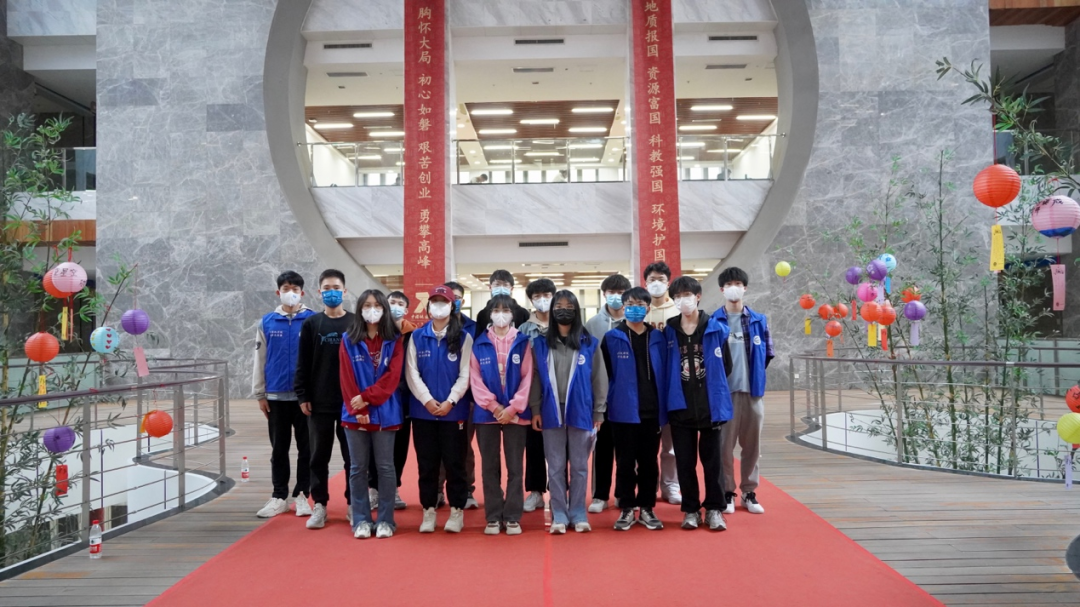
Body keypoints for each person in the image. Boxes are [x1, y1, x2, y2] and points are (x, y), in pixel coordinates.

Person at [528, 290, 608, 534]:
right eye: (559, 306)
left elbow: (599, 379)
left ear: (576, 310)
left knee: (580, 466)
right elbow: (535, 379)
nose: (564, 310)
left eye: (569, 306)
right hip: (550, 410)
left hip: (581, 410)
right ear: (552, 311)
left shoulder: (589, 343)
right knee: (555, 466)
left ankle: (578, 513)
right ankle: (559, 514)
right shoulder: (540, 343)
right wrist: (535, 409)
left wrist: (599, 411)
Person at [663, 276, 732, 532]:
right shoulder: (669, 331)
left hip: (710, 407)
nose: (683, 300)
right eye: (677, 296)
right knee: (685, 462)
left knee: (713, 462)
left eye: (687, 295)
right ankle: (691, 509)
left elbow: (726, 366)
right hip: (680, 407)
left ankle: (714, 508)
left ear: (698, 296)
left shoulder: (716, 328)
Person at [406, 286, 475, 533]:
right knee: (427, 464)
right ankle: (428, 511)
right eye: (434, 301)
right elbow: (411, 372)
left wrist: (451, 401)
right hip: (422, 412)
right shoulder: (417, 336)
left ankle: (456, 511)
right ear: (428, 307)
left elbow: (466, 374)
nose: (438, 306)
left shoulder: (464, 338)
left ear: (452, 306)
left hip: (454, 413)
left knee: (455, 463)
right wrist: (426, 400)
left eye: (443, 301)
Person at [339, 290, 404, 539]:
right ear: (360, 309)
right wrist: (359, 408)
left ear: (384, 309)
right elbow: (346, 378)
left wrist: (367, 398)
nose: (372, 309)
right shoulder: (348, 339)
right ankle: (361, 520)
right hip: (354, 413)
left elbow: (392, 378)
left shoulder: (395, 339)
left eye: (377, 305)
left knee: (386, 467)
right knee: (357, 468)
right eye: (367, 305)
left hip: (386, 412)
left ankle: (386, 520)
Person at [602, 287, 667, 531]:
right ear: (623, 307)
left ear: (648, 308)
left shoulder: (658, 337)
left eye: (640, 304)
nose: (634, 308)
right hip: (622, 411)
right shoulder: (612, 337)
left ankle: (647, 507)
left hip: (651, 411)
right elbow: (605, 375)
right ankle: (627, 507)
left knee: (649, 462)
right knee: (625, 462)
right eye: (630, 304)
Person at [253, 271, 316, 519]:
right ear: (278, 292)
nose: (291, 293)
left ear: (302, 292)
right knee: (279, 449)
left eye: (295, 289)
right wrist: (260, 393)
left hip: (305, 399)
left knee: (306, 449)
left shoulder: (313, 320)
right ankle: (279, 496)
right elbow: (259, 359)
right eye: (286, 288)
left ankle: (302, 495)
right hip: (276, 397)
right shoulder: (267, 322)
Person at [295, 269, 354, 529]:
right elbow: (303, 362)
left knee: (353, 457)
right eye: (327, 288)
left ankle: (354, 503)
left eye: (336, 287)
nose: (332, 292)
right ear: (319, 292)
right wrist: (303, 395)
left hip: (351, 402)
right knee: (318, 456)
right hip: (319, 402)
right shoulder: (311, 324)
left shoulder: (355, 323)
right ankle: (319, 504)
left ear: (344, 291)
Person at [470, 294, 534, 535]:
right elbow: (475, 379)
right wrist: (494, 407)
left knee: (515, 466)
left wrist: (513, 407)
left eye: (505, 310)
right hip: (487, 414)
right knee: (490, 466)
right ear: (489, 314)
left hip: (516, 414)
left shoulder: (523, 342)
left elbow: (528, 377)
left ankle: (513, 515)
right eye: (496, 310)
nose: (501, 314)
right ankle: (493, 516)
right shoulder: (479, 343)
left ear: (513, 314)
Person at [712, 267, 773, 516]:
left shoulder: (759, 320)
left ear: (745, 288)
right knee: (724, 447)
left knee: (752, 446)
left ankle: (749, 491)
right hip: (724, 395)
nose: (734, 288)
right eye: (729, 284)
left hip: (752, 393)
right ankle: (727, 492)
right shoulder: (713, 321)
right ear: (722, 289)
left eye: (738, 283)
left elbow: (767, 354)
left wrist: (754, 376)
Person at [584, 273, 630, 514]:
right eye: (611, 292)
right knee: (601, 449)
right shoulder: (592, 324)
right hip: (601, 397)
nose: (616, 297)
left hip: (627, 397)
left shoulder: (635, 321)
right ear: (604, 295)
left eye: (621, 292)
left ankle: (622, 493)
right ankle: (600, 495)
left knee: (625, 450)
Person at [367, 291, 416, 511]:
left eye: (400, 303)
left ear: (406, 309)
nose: (395, 306)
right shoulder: (375, 331)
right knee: (374, 446)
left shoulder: (413, 334)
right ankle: (374, 489)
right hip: (377, 397)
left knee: (400, 446)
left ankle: (393, 488)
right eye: (391, 302)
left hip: (403, 398)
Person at [642, 261, 682, 505]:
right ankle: (645, 485)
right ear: (645, 283)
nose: (656, 283)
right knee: (644, 444)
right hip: (646, 384)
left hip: (671, 383)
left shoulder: (677, 311)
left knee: (670, 443)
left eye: (661, 279)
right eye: (651, 279)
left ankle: (670, 485)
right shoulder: (640, 310)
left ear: (668, 282)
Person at [519, 278, 556, 513]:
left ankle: (559, 490)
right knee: (533, 446)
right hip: (532, 394)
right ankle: (535, 492)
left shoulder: (565, 324)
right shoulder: (524, 329)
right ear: (531, 301)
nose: (543, 300)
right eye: (537, 296)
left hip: (559, 394)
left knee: (560, 447)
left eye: (547, 295)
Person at [443, 281, 477, 509]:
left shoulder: (474, 327)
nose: (452, 301)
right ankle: (437, 490)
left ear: (462, 301)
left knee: (464, 448)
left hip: (467, 398)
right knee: (438, 448)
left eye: (456, 297)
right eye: (448, 297)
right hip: (438, 398)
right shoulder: (430, 328)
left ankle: (467, 490)